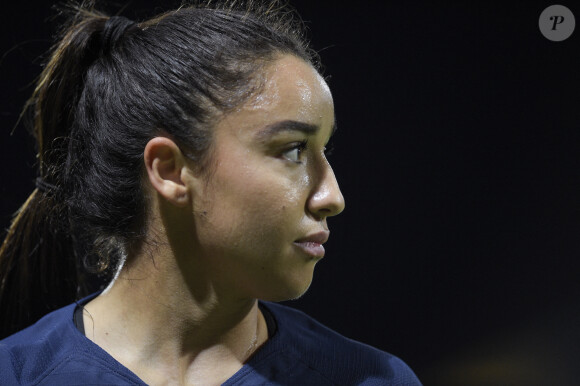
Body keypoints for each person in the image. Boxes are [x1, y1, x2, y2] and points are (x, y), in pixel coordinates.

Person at [0, 1, 422, 384]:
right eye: (293, 150)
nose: (332, 196)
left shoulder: (372, 380)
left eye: (323, 150)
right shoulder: (17, 374)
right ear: (170, 170)